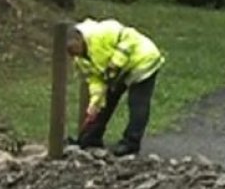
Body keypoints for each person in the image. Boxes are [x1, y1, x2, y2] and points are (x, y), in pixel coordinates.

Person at [66, 18, 165, 157]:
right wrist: (96, 101)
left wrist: (116, 63)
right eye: (70, 53)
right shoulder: (81, 60)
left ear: (79, 39)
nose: (74, 55)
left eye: (73, 49)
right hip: (120, 71)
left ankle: (131, 143)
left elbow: (130, 36)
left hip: (143, 60)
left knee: (137, 103)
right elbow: (95, 80)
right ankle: (91, 139)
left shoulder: (102, 31)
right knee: (105, 102)